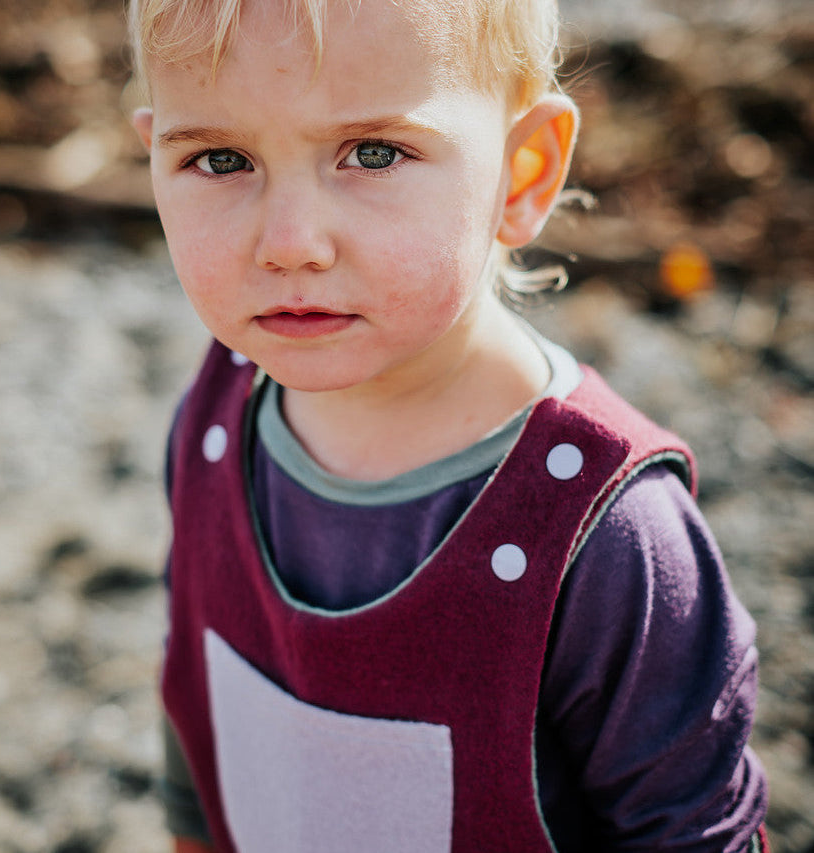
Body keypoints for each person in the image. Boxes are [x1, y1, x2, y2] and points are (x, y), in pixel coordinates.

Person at [127, 0, 769, 850]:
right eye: (220, 158)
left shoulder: (607, 533)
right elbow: (196, 709)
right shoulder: (213, 422)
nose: (289, 243)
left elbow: (688, 830)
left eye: (374, 153)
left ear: (523, 172)